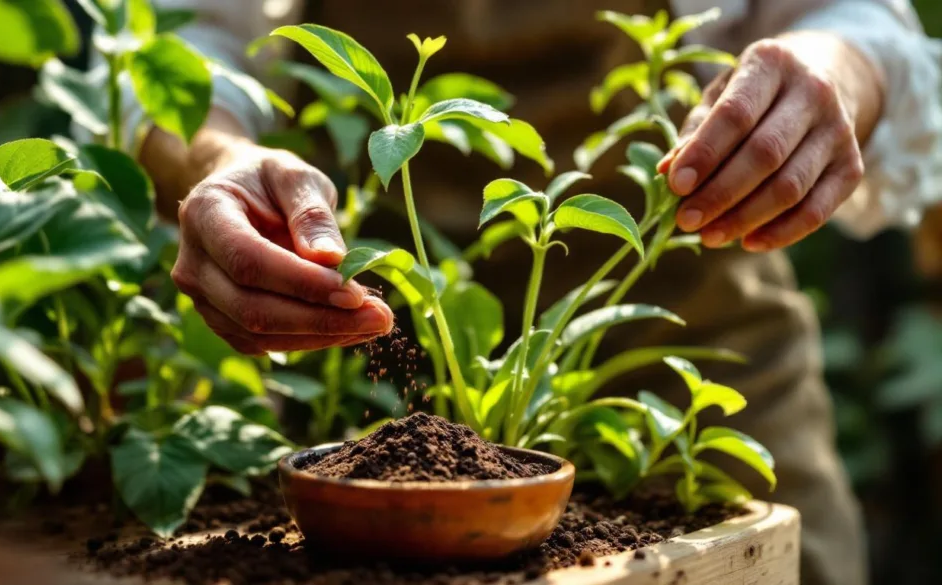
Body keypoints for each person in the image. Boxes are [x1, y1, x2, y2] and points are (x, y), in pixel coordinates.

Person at [117, 1, 942, 584]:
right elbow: (179, 52)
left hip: (709, 381)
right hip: (353, 386)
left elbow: (863, 21)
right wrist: (215, 165)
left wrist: (835, 69)